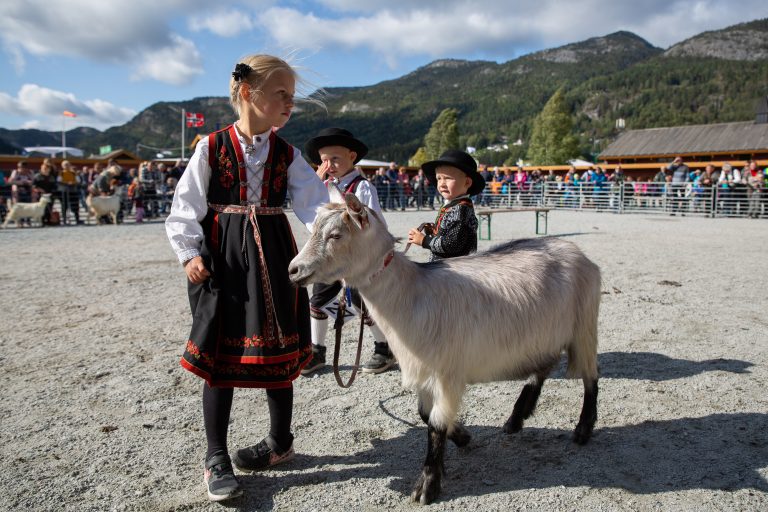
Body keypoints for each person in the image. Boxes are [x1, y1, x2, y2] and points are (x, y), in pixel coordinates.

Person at [165, 55, 329, 502]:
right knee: (221, 357)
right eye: (281, 94)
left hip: (276, 258)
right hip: (224, 262)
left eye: (292, 96)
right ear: (247, 93)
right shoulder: (211, 147)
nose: (289, 103)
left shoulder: (287, 154)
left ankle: (281, 442)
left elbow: (314, 205)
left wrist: (338, 230)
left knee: (277, 348)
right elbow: (185, 209)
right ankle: (215, 455)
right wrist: (188, 254)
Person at [300, 127, 395, 375]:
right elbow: (312, 219)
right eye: (323, 160)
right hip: (329, 256)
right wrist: (314, 186)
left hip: (357, 259)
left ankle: (384, 347)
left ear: (352, 157)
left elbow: (377, 224)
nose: (328, 165)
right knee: (318, 299)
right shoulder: (322, 187)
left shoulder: (362, 187)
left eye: (335, 158)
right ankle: (317, 350)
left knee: (364, 303)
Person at [407, 149, 484, 261]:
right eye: (439, 178)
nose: (442, 184)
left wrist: (424, 240)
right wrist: (434, 231)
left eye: (448, 178)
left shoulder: (461, 209)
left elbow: (452, 244)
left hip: (453, 272)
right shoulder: (454, 205)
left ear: (467, 182)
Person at [58, 160, 81, 224]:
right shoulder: (61, 173)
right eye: (65, 165)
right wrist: (67, 183)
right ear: (62, 166)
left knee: (75, 205)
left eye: (68, 164)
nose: (67, 166)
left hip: (73, 190)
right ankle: (64, 220)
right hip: (64, 191)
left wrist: (72, 183)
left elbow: (78, 180)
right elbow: (59, 181)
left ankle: (77, 219)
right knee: (64, 206)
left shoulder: (73, 173)